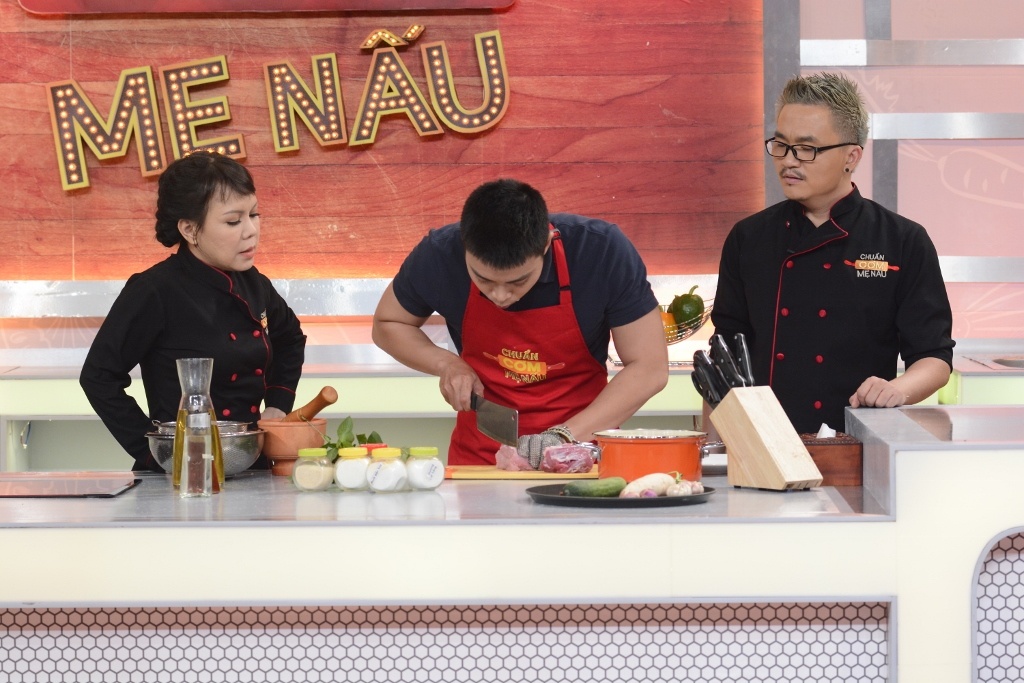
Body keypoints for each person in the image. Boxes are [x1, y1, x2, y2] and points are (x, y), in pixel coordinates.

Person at [710, 72, 955, 434]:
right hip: (763, 441)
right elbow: (724, 357)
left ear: (851, 156)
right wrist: (715, 449)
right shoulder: (748, 238)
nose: (788, 161)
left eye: (807, 149)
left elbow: (934, 358)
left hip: (858, 441)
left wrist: (897, 389)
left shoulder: (902, 240)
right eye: (781, 145)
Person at [371, 179, 669, 466]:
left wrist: (563, 438)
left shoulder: (601, 251)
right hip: (480, 459)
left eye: (518, 281)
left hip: (580, 452)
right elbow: (388, 323)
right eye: (484, 280)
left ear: (546, 245)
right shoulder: (439, 253)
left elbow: (649, 367)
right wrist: (446, 364)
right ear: (464, 247)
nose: (500, 296)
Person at [80, 151, 307, 471]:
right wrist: (155, 452)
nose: (251, 230)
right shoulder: (155, 290)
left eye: (254, 214)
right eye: (233, 221)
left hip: (250, 464)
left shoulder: (254, 283)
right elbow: (98, 377)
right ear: (190, 230)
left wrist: (278, 406)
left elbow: (290, 339)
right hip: (182, 474)